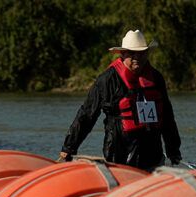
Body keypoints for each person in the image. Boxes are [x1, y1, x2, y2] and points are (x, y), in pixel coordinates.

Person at [59, 29, 181, 171]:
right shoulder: (107, 80)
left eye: (141, 53)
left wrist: (173, 150)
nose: (137, 57)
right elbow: (87, 114)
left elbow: (167, 116)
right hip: (119, 154)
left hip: (152, 154)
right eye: (132, 53)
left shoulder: (156, 78)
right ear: (122, 54)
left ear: (147, 53)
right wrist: (69, 147)